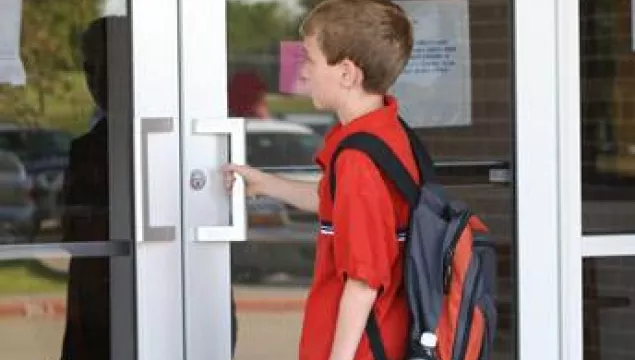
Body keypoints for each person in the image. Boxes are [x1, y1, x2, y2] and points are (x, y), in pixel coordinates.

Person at [224, 1, 416, 359]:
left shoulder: (360, 160)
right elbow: (337, 203)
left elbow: (363, 281)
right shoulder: (384, 134)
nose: (303, 73)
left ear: (346, 73)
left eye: (310, 59)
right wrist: (265, 183)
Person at [59, 16, 126, 360]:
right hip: (93, 315)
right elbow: (72, 235)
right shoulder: (87, 149)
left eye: (108, 65)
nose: (96, 80)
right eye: (89, 68)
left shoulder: (173, 148)